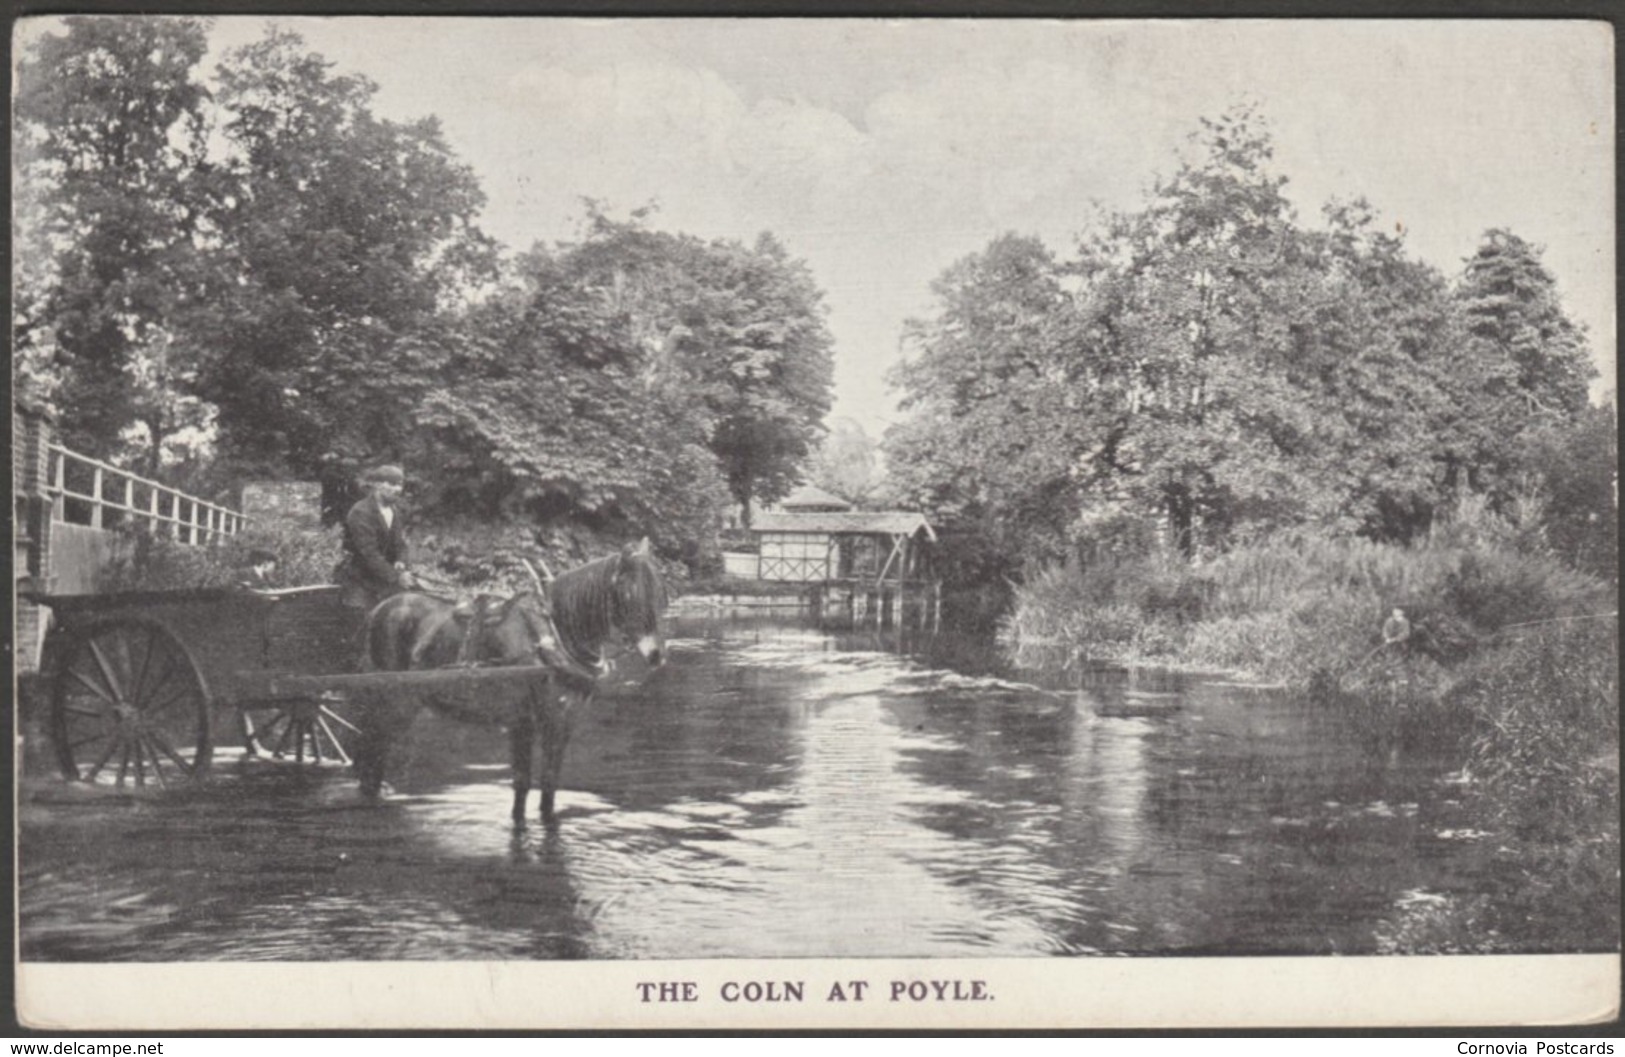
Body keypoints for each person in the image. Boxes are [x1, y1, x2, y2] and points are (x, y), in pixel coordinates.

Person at [334, 464, 416, 616]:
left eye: (400, 484)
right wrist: (396, 576)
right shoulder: (360, 512)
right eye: (391, 484)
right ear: (377, 484)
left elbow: (401, 544)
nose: (398, 489)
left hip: (386, 580)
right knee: (362, 624)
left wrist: (401, 561)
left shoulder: (395, 511)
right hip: (361, 582)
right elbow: (368, 553)